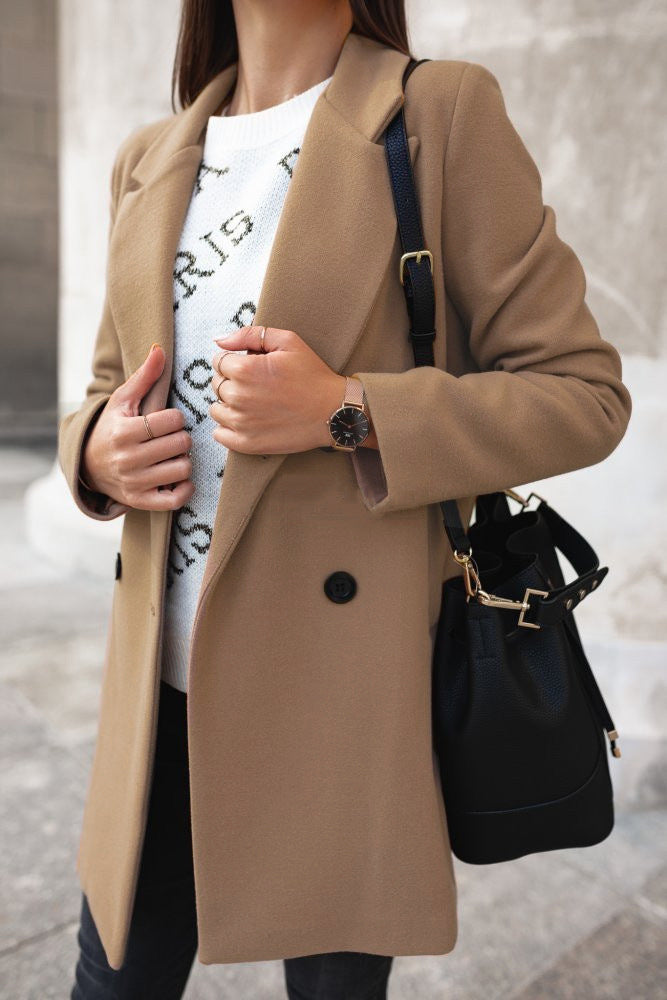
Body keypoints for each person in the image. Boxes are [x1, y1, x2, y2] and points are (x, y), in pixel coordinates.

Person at [61, 1, 632, 997]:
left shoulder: (436, 114)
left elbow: (583, 395)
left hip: (342, 686)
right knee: (109, 980)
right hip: (163, 688)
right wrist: (96, 454)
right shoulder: (150, 155)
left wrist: (346, 410)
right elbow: (108, 388)